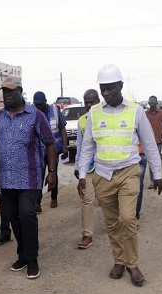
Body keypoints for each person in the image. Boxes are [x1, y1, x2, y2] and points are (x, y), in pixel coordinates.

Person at [77, 64, 162, 287]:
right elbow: (87, 147)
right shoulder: (94, 113)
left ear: (120, 86)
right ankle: (119, 260)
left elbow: (150, 144)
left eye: (110, 88)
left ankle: (132, 264)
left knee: (127, 218)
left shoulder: (135, 111)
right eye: (102, 88)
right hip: (102, 175)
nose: (106, 93)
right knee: (112, 223)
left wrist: (157, 173)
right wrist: (82, 175)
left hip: (128, 172)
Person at [0, 75, 58, 279]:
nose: (7, 95)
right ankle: (23, 254)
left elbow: (49, 143)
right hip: (7, 180)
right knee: (13, 217)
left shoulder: (35, 116)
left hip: (31, 177)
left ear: (21, 92)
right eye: (4, 92)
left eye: (11, 91)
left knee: (27, 214)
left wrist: (52, 171)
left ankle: (33, 259)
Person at [73, 89, 100, 249]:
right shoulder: (82, 120)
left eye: (92, 102)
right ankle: (87, 234)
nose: (89, 105)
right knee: (87, 200)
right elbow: (80, 146)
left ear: (99, 101)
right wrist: (78, 167)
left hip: (106, 167)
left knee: (109, 200)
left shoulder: (107, 117)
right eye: (86, 102)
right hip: (89, 168)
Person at [33, 91, 68, 211]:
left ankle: (54, 198)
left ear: (45, 102)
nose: (39, 107)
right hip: (39, 151)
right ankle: (37, 202)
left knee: (53, 173)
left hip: (54, 149)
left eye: (40, 104)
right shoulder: (33, 113)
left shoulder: (55, 111)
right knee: (39, 176)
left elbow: (62, 129)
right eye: (36, 105)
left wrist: (65, 146)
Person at [145, 96, 162, 190]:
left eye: (153, 102)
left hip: (159, 142)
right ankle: (153, 181)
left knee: (158, 161)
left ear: (156, 103)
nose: (151, 104)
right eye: (150, 102)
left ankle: (157, 177)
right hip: (149, 143)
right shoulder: (145, 114)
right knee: (151, 161)